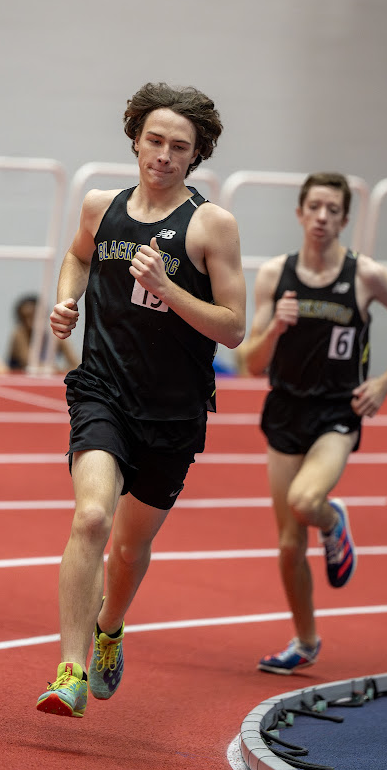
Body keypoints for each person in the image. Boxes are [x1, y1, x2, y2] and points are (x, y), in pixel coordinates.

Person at [36, 82, 246, 718]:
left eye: (178, 146)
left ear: (195, 154)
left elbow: (233, 325)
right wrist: (67, 301)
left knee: (127, 548)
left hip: (173, 411)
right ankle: (69, 670)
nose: (162, 154)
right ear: (135, 140)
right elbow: (77, 258)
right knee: (91, 519)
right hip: (102, 389)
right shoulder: (102, 207)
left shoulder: (212, 225)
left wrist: (167, 286)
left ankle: (110, 629)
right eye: (153, 140)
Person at [245, 172, 387, 675]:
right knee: (287, 544)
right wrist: (276, 327)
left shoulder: (366, 275)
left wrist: (386, 382)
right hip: (284, 410)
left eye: (333, 209)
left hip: (335, 414)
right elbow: (251, 363)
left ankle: (333, 521)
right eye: (315, 207)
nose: (323, 217)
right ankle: (305, 642)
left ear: (345, 218)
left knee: (306, 502)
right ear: (300, 213)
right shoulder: (273, 276)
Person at [8, 294, 80, 373]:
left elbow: (75, 363)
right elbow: (30, 363)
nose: (29, 323)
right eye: (24, 318)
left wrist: (65, 372)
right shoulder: (19, 334)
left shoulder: (54, 335)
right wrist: (54, 370)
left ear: (44, 315)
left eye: (33, 317)